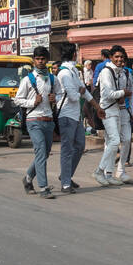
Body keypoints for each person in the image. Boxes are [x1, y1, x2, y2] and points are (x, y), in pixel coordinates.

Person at [16, 46, 57, 199]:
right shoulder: (27, 79)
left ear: (47, 60)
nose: (40, 61)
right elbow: (18, 100)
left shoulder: (53, 78)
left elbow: (59, 94)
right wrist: (33, 102)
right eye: (38, 59)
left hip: (48, 119)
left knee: (44, 154)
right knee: (40, 152)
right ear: (34, 60)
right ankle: (43, 187)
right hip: (33, 120)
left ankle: (27, 178)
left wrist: (55, 99)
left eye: (43, 59)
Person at [55, 43, 95, 192]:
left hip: (75, 115)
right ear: (73, 55)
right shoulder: (65, 73)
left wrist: (97, 107)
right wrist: (81, 91)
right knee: (67, 149)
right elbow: (74, 95)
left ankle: (66, 175)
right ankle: (65, 183)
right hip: (66, 114)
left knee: (79, 146)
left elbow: (84, 91)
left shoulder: (73, 71)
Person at [94, 45, 133, 185]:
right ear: (111, 58)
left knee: (115, 141)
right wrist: (123, 93)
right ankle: (99, 171)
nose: (119, 59)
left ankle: (109, 174)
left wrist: (124, 97)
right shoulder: (106, 72)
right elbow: (108, 94)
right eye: (116, 57)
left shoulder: (122, 72)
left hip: (117, 110)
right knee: (114, 141)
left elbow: (128, 93)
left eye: (121, 57)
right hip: (107, 110)